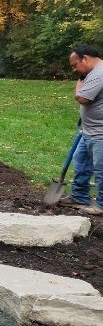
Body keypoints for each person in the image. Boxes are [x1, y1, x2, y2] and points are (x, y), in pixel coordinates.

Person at [68, 45, 103, 215]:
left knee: (100, 168)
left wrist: (79, 84)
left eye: (75, 65)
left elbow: (82, 98)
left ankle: (102, 205)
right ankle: (79, 196)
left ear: (86, 58)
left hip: (100, 133)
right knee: (80, 160)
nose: (75, 69)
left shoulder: (99, 74)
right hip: (88, 130)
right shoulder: (92, 73)